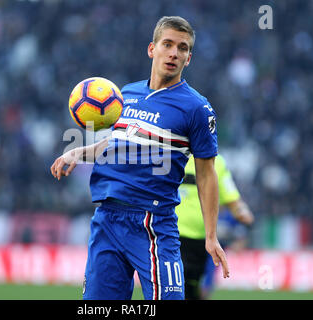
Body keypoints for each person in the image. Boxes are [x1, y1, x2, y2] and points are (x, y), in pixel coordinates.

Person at [51, 16, 229, 300]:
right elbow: (118, 142)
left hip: (153, 223)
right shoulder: (125, 95)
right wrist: (78, 152)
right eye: (167, 44)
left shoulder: (197, 108)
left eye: (182, 48)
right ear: (151, 49)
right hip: (107, 219)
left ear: (189, 58)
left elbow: (207, 173)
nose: (173, 53)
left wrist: (210, 236)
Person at [176, 154, 254, 300]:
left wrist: (242, 212)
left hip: (201, 242)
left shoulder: (217, 161)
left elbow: (232, 198)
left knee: (191, 290)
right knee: (171, 288)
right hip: (170, 237)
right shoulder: (171, 154)